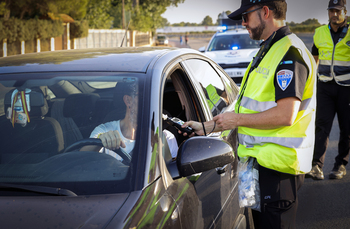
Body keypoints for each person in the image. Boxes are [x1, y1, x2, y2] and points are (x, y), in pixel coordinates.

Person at [181, 0, 317, 228]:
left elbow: (286, 115)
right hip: (261, 168)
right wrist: (206, 127)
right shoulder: (269, 48)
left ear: (265, 12)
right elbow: (245, 106)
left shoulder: (289, 53)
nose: (243, 23)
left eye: (246, 16)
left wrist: (236, 120)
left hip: (278, 172)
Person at [307, 0, 350, 180]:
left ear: (345, 12)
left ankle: (340, 164)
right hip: (324, 86)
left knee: (346, 128)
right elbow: (314, 59)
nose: (334, 14)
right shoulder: (319, 33)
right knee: (321, 126)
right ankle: (317, 165)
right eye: (332, 11)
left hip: (346, 87)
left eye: (338, 11)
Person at [89, 82, 178, 161]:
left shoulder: (165, 138)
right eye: (145, 96)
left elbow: (174, 175)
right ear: (128, 100)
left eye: (155, 98)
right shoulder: (104, 130)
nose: (152, 102)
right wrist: (99, 142)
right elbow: (83, 158)